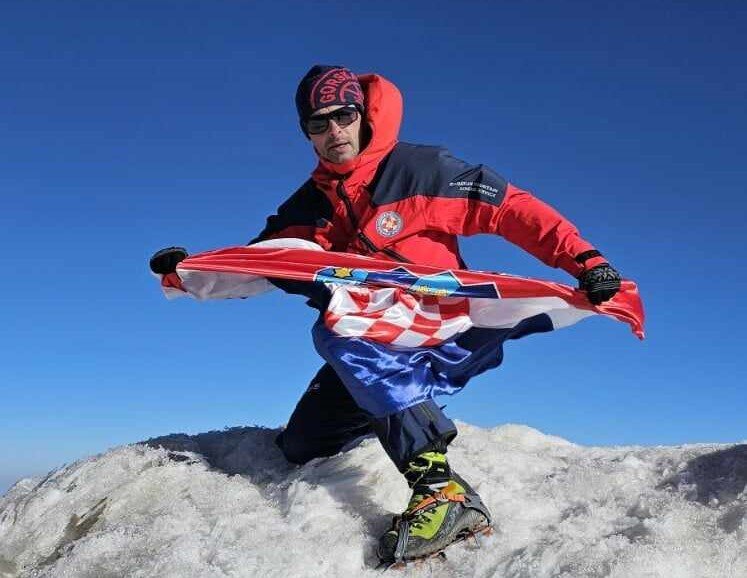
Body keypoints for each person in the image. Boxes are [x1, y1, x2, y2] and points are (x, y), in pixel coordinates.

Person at [150, 65, 621, 564]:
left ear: (362, 115)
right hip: (376, 343)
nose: (334, 132)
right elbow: (263, 261)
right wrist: (188, 273)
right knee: (302, 445)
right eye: (318, 124)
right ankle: (395, 416)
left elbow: (512, 209)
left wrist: (586, 260)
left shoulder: (421, 169)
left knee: (341, 330)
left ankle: (441, 490)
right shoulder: (307, 207)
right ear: (305, 133)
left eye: (344, 116)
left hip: (443, 321)